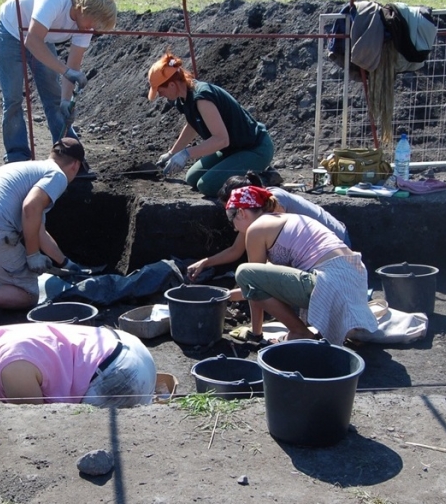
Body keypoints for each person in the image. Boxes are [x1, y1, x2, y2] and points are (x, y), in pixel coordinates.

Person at [0, 138, 88, 332]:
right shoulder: (58, 175)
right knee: (28, 293)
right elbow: (30, 207)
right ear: (76, 165)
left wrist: (65, 264)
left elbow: (38, 230)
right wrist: (32, 255)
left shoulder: (29, 168)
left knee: (1, 242)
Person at [223, 186, 376, 345]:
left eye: (231, 219)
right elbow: (263, 284)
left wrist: (255, 333)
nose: (234, 228)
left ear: (241, 212)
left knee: (244, 272)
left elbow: (252, 284)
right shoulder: (286, 219)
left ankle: (300, 332)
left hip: (330, 282)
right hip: (353, 281)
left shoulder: (256, 229)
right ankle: (303, 330)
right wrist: (226, 295)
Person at [0, 0, 117, 166]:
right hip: (12, 30)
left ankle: (67, 153)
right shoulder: (53, 0)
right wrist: (66, 71)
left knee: (54, 96)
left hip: (39, 37)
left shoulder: (85, 25)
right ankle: (17, 156)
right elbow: (32, 41)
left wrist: (66, 101)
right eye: (94, 21)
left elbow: (73, 65)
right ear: (82, 8)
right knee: (13, 97)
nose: (94, 27)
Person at [0, 321, 157, 408]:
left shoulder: (11, 369)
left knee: (74, 437)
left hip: (122, 373)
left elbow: (41, 424)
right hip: (124, 344)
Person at [147, 49, 274, 197]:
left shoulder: (202, 97)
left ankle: (262, 178)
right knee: (192, 178)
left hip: (255, 148)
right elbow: (192, 126)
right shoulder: (183, 99)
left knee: (207, 186)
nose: (160, 95)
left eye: (160, 91)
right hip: (233, 149)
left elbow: (221, 140)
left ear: (172, 85)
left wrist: (186, 154)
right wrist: (172, 153)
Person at [186, 171, 350, 281]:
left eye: (232, 211)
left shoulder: (274, 202)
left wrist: (246, 290)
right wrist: (205, 263)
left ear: (242, 202)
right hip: (321, 254)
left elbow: (277, 258)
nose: (232, 219)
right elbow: (236, 250)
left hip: (336, 247)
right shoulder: (255, 213)